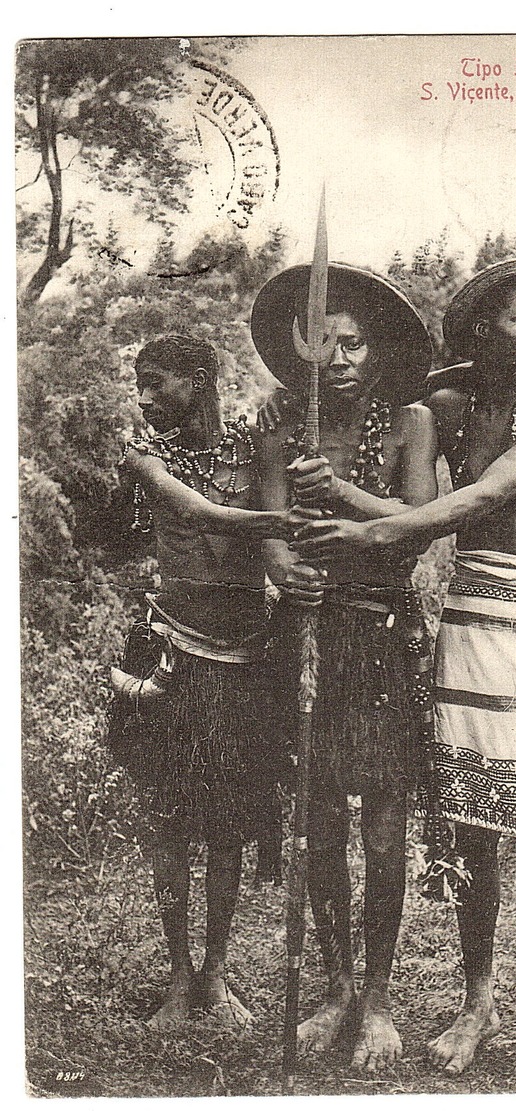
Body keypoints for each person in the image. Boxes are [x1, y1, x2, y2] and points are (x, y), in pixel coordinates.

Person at [292, 259, 516, 1092]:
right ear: (482, 328)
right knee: (475, 831)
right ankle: (478, 1002)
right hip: (469, 623)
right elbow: (375, 403)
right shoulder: (447, 405)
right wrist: (313, 451)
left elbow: (481, 498)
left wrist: (370, 531)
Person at [251, 264, 439, 1071]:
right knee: (320, 818)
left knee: (385, 824)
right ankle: (335, 987)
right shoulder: (280, 423)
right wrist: (280, 567)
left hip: (379, 636)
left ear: (379, 348)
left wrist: (344, 493)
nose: (339, 358)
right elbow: (268, 523)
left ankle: (380, 999)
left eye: (354, 342)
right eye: (323, 343)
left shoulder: (410, 422)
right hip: (306, 640)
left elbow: (419, 523)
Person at [109, 335, 298, 1029]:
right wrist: (279, 519)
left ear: (197, 380)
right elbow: (196, 513)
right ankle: (177, 977)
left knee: (227, 825)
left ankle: (214, 974)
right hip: (170, 654)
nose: (144, 397)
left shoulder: (255, 448)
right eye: (140, 383)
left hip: (244, 659)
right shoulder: (143, 454)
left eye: (156, 382)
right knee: (167, 820)